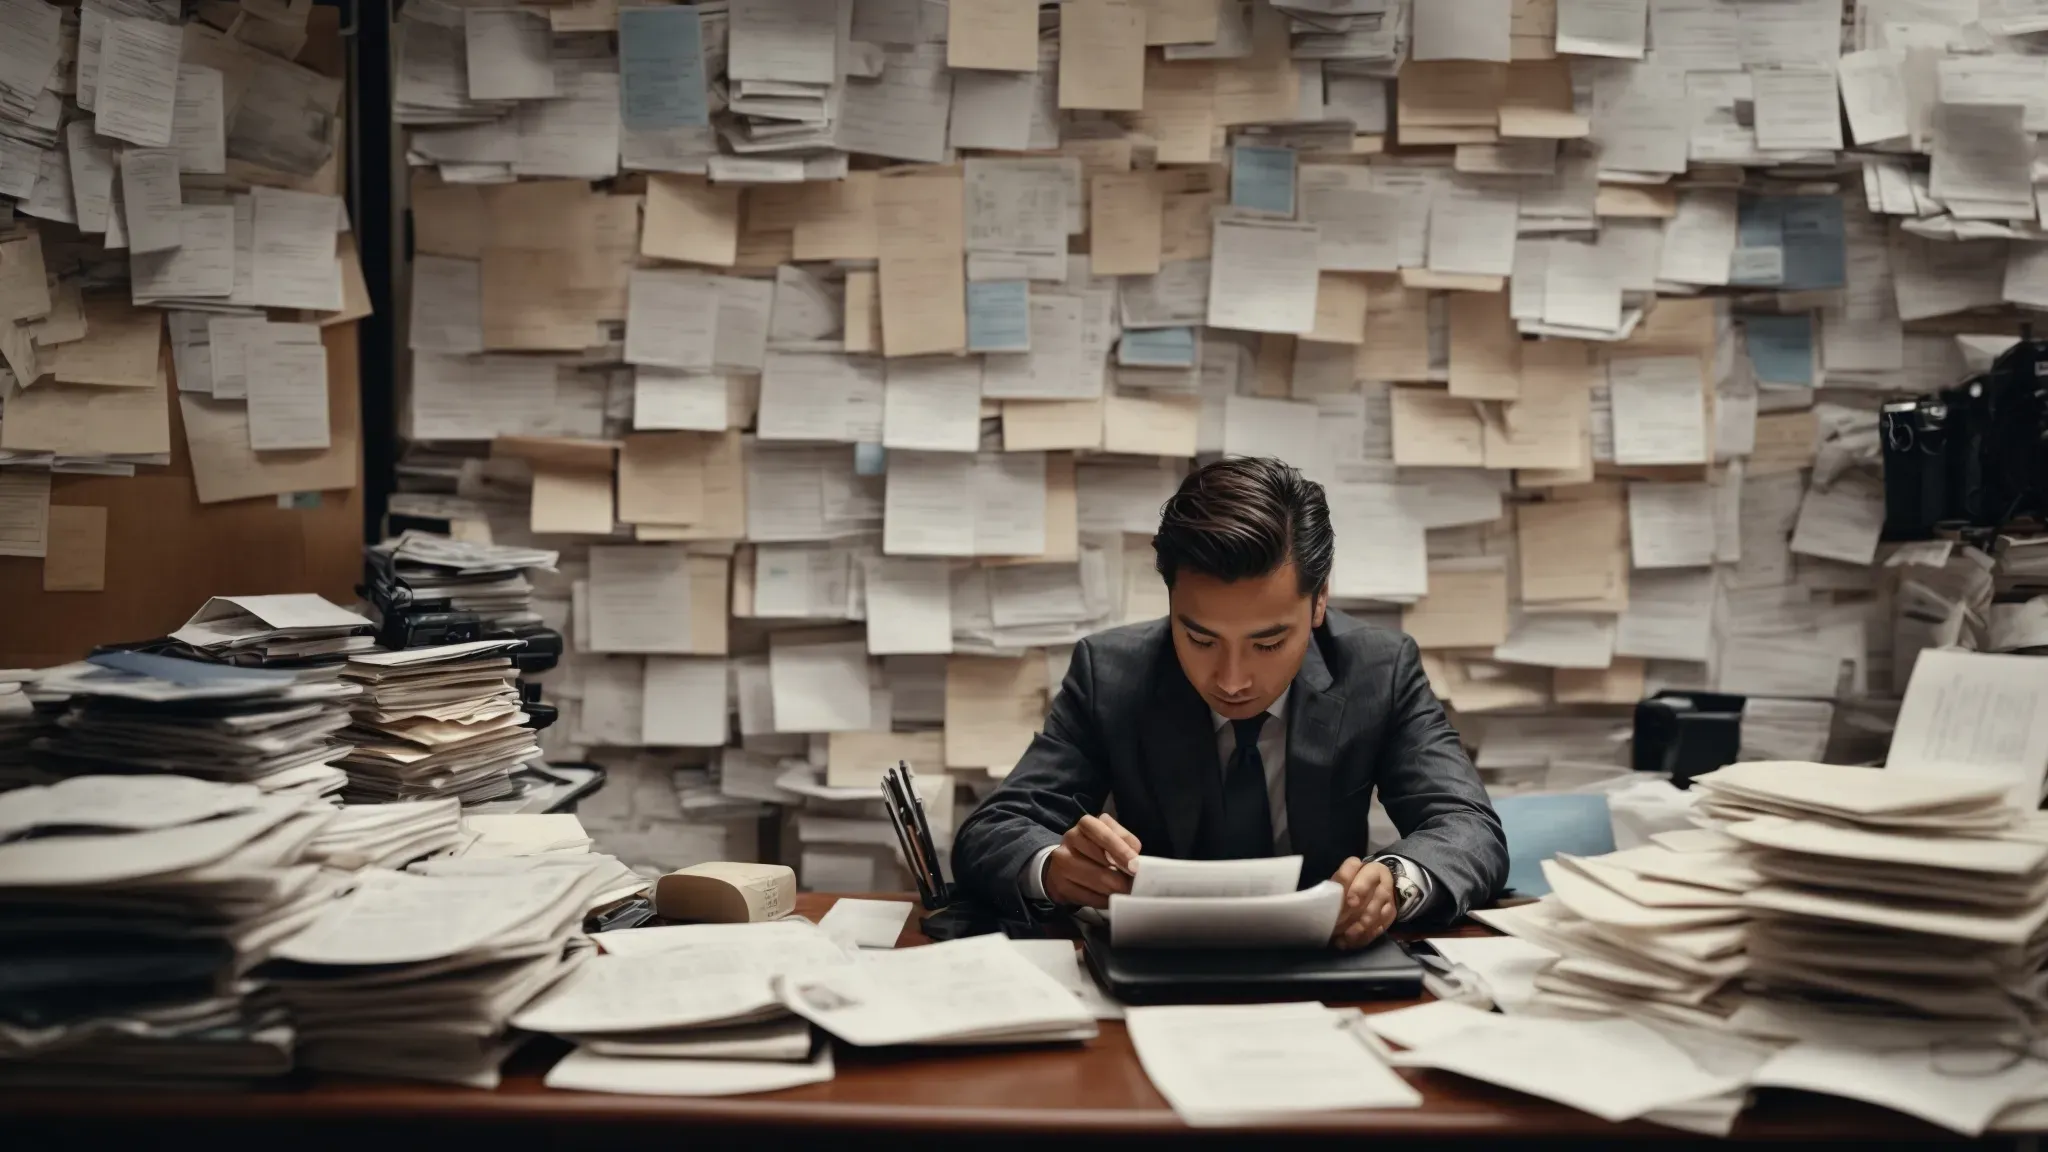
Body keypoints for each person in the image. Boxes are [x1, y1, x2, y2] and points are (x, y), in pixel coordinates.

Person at [952, 456, 1507, 948]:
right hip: (1159, 965)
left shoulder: (1377, 669)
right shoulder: (1111, 673)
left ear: (1319, 603)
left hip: (1327, 962)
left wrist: (1396, 882)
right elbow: (996, 828)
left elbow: (1466, 825)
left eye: (1268, 643)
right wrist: (1053, 869)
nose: (1233, 680)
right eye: (1199, 639)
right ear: (1169, 601)